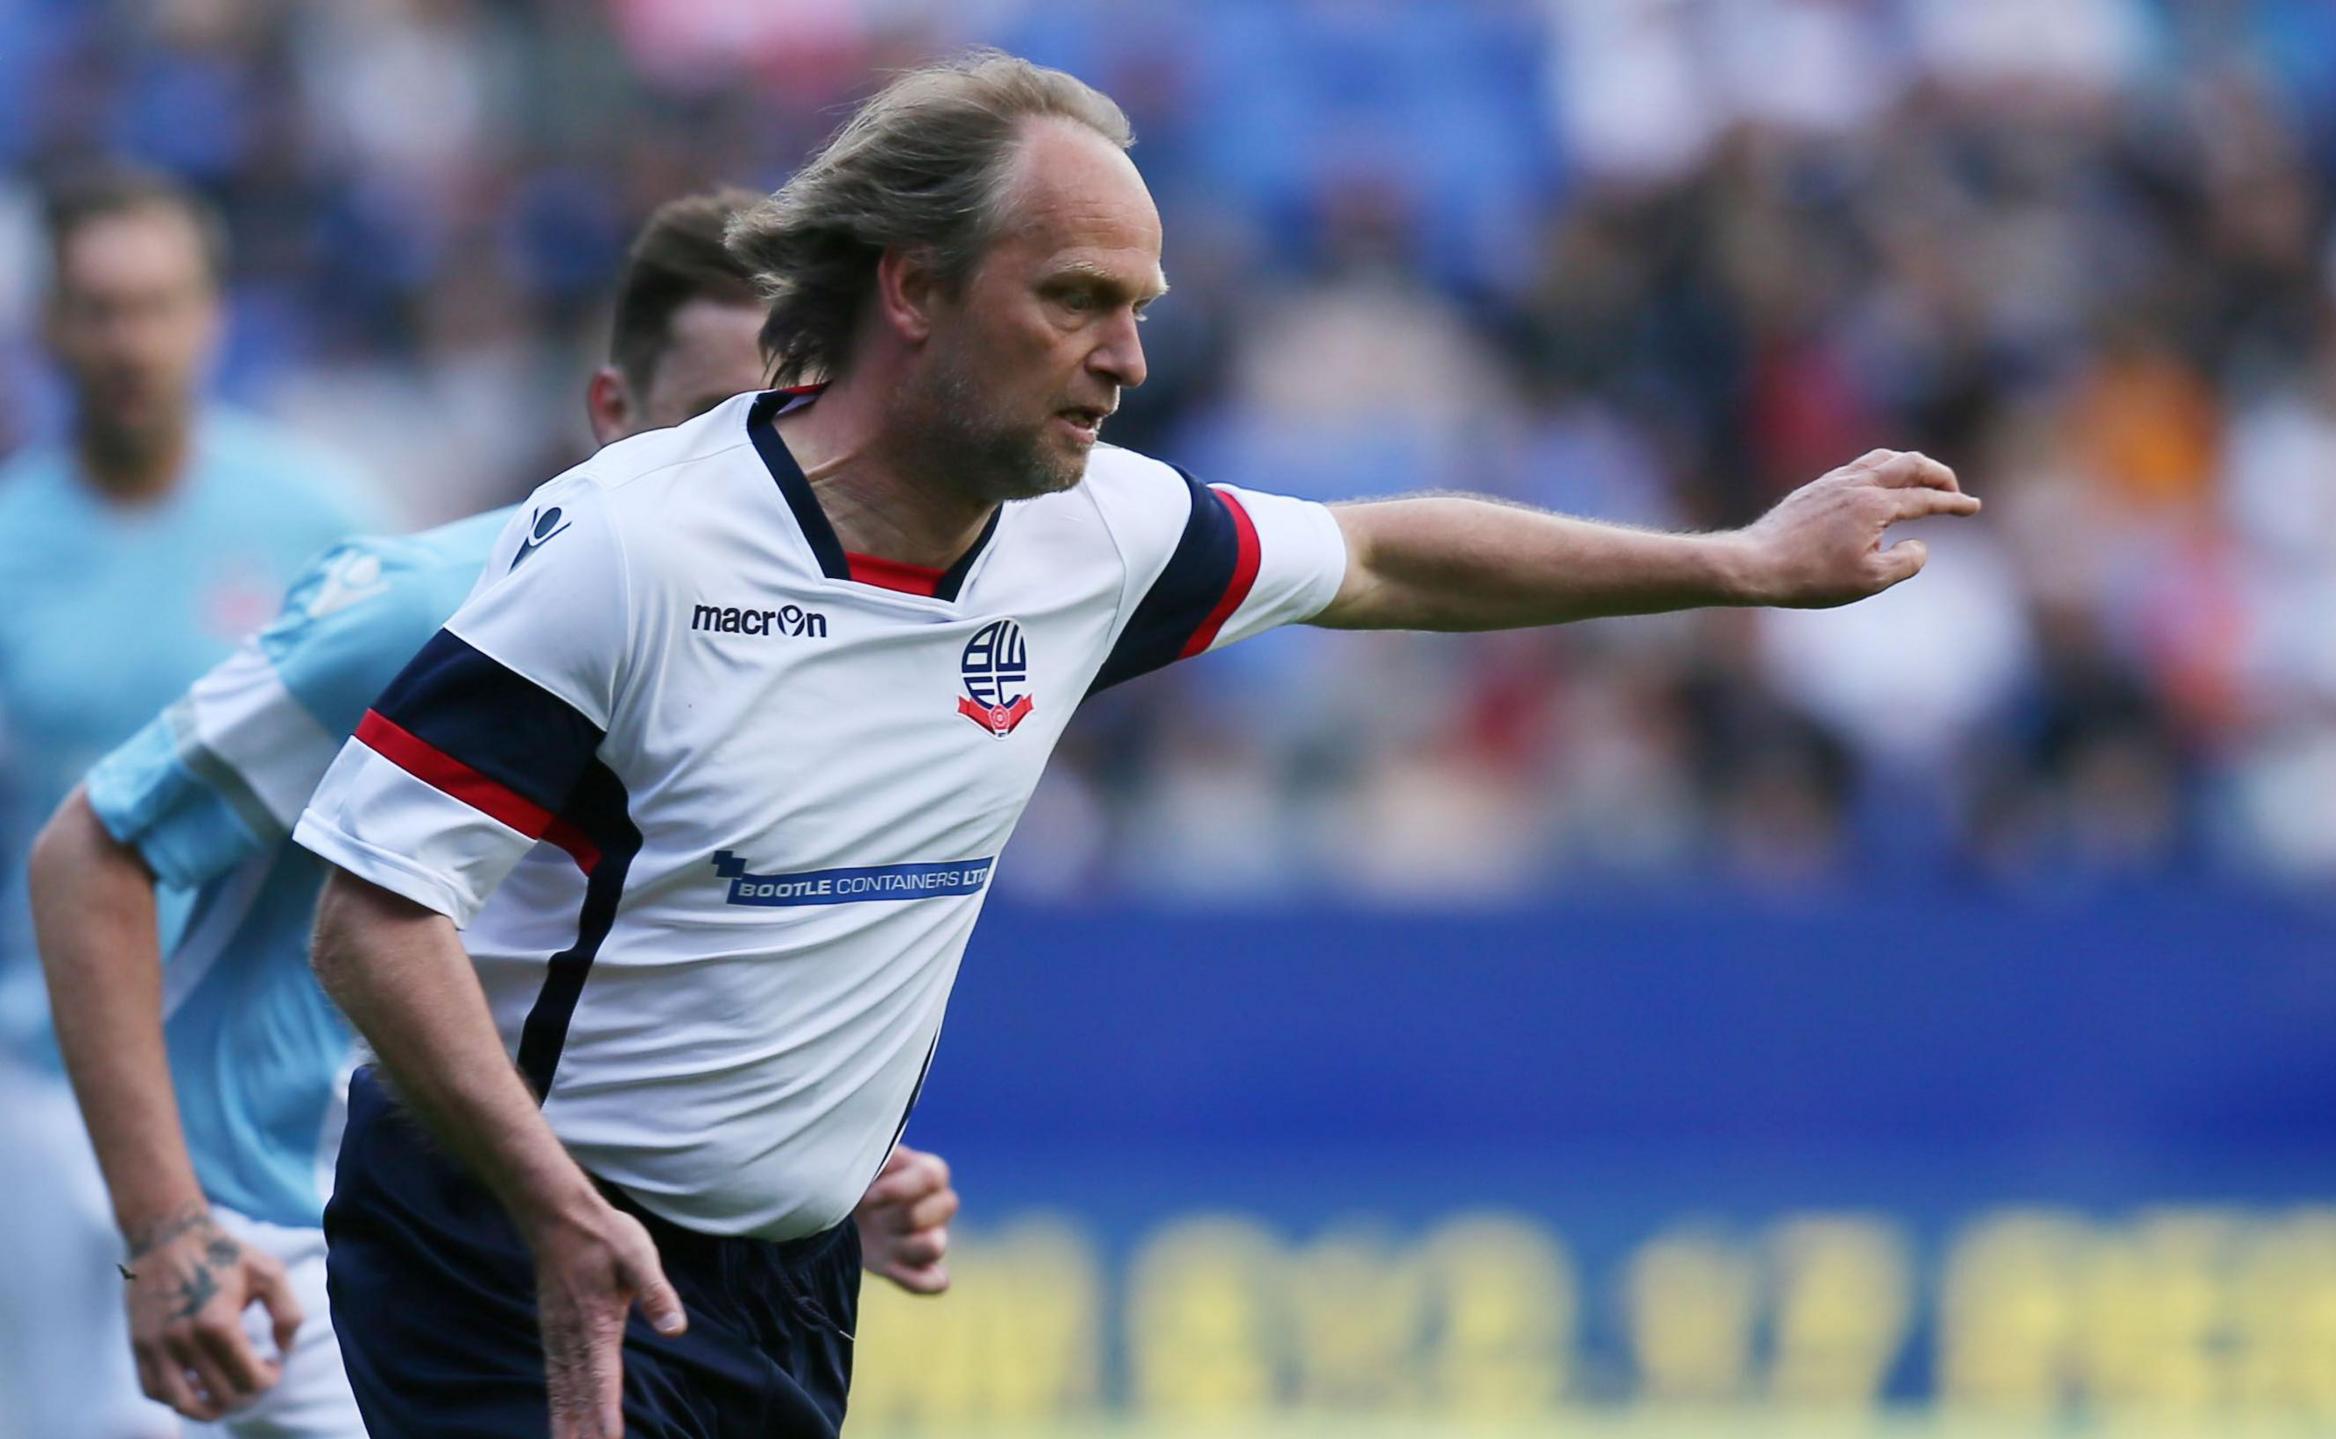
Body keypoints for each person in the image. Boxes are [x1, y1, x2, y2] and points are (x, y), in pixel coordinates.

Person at [295, 51, 1979, 1439]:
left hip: (780, 1271)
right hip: (502, 1240)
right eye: (1079, 298)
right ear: (915, 290)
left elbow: (1388, 554)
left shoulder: (1088, 533)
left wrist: (1737, 561)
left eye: (1143, 303)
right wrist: (557, 1207)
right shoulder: (638, 544)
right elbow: (373, 913)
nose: (1131, 356)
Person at [26, 191, 963, 1437]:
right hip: (299, 1262)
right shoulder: (424, 609)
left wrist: (815, 1165)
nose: (757, 468)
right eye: (709, 420)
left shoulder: (797, 658)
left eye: (796, 421)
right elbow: (90, 851)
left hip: (535, 1260)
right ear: (610, 417)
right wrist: (168, 1230)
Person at [0, 167, 382, 1439]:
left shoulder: (317, 520)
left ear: (212, 315)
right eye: (100, 309)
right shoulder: (10, 549)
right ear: (50, 326)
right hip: (46, 1092)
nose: (129, 341)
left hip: (271, 1094)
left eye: (156, 304)